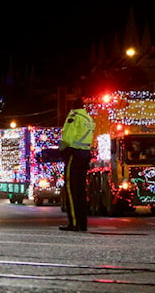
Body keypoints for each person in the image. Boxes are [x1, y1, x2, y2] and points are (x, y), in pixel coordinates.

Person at [59, 98, 95, 232]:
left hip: (74, 154)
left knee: (70, 189)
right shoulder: (88, 118)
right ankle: (82, 223)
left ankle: (74, 223)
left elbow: (68, 137)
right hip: (85, 155)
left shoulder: (73, 116)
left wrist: (62, 148)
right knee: (81, 191)